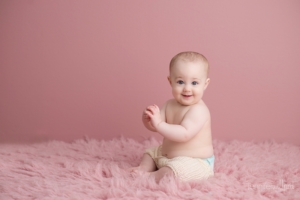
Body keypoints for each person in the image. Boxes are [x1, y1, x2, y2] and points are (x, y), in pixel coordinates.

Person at [130, 51, 214, 182]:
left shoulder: (199, 110)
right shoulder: (169, 104)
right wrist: (150, 119)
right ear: (170, 81)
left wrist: (159, 124)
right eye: (180, 82)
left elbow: (184, 134)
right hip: (168, 156)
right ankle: (143, 168)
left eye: (194, 83)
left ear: (205, 84)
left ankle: (150, 176)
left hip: (195, 162)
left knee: (175, 172)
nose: (187, 88)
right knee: (151, 152)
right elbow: (156, 127)